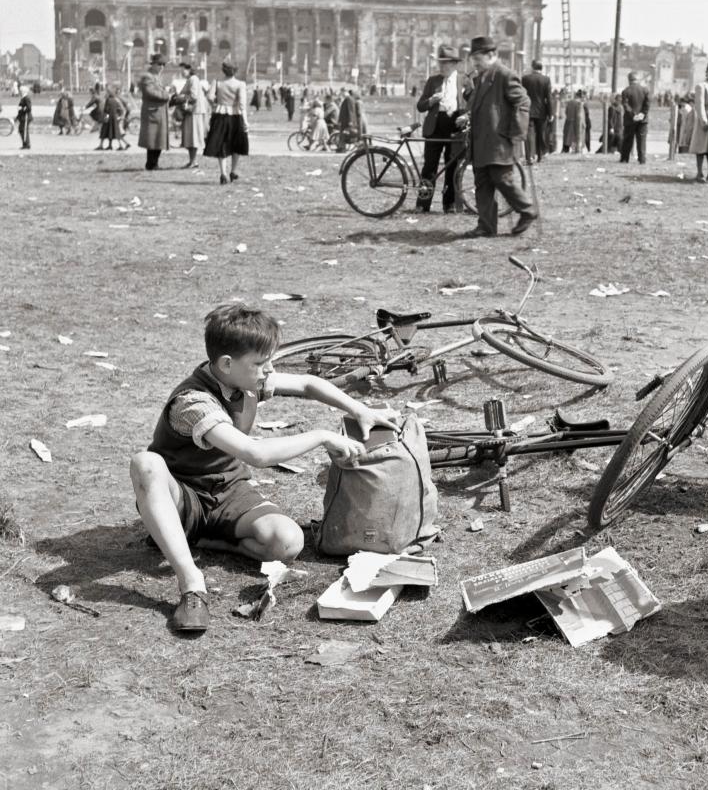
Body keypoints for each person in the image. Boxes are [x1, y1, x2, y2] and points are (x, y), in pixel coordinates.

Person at [129, 303, 400, 632]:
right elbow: (254, 453)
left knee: (288, 542)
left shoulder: (243, 379)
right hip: (183, 496)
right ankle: (191, 583)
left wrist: (359, 409)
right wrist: (321, 436)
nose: (269, 370)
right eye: (260, 363)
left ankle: (197, 540)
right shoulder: (194, 402)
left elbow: (307, 384)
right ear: (226, 364)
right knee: (146, 464)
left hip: (229, 492)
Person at [456, 35, 537, 238]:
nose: (474, 61)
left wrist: (515, 134)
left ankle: (527, 210)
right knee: (482, 184)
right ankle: (486, 225)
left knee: (503, 179)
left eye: (478, 57)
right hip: (482, 142)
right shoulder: (481, 77)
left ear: (491, 55)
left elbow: (523, 103)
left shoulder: (504, 75)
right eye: (473, 57)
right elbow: (480, 105)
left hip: (499, 142)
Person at [416, 45, 470, 213]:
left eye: (446, 63)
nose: (443, 67)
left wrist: (467, 116)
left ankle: (449, 204)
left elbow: (475, 104)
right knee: (429, 167)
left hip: (455, 126)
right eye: (441, 63)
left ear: (455, 64)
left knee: (452, 166)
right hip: (435, 127)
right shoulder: (433, 81)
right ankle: (422, 204)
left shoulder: (465, 80)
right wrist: (431, 101)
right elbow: (420, 106)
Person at [203, 61, 249, 184]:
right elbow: (242, 104)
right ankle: (233, 171)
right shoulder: (240, 84)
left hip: (220, 114)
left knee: (221, 144)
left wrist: (215, 105)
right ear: (235, 71)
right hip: (235, 115)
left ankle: (223, 173)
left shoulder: (217, 82)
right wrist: (245, 121)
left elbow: (209, 97)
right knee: (236, 144)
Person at [173, 62, 209, 168]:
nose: (181, 72)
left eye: (183, 70)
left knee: (193, 137)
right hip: (192, 111)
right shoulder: (192, 79)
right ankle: (192, 161)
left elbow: (193, 96)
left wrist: (180, 98)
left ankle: (193, 161)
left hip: (194, 111)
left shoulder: (193, 79)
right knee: (190, 137)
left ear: (189, 69)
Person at [138, 53, 170, 171]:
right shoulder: (148, 76)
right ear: (153, 64)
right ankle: (151, 164)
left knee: (158, 139)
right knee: (153, 139)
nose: (162, 67)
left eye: (164, 64)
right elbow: (149, 92)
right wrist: (166, 95)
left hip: (158, 111)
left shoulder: (156, 76)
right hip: (153, 112)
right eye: (160, 64)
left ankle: (154, 163)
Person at [521, 59, 553, 164]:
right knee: (540, 133)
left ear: (532, 67)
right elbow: (548, 98)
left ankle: (529, 157)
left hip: (528, 109)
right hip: (541, 111)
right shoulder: (546, 80)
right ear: (541, 68)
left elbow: (522, 94)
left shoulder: (525, 79)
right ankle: (540, 156)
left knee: (529, 134)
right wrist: (550, 113)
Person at [620, 71, 650, 163]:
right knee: (641, 140)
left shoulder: (626, 91)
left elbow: (625, 105)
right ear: (638, 79)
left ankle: (625, 159)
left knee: (628, 140)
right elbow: (647, 104)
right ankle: (642, 159)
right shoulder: (645, 90)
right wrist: (642, 114)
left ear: (629, 79)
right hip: (643, 120)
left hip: (630, 120)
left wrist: (633, 115)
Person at [100, 85, 130, 151]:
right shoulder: (116, 99)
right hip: (115, 118)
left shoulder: (110, 100)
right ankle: (112, 145)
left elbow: (107, 110)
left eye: (106, 92)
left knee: (115, 132)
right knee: (113, 132)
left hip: (113, 118)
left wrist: (106, 118)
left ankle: (122, 145)